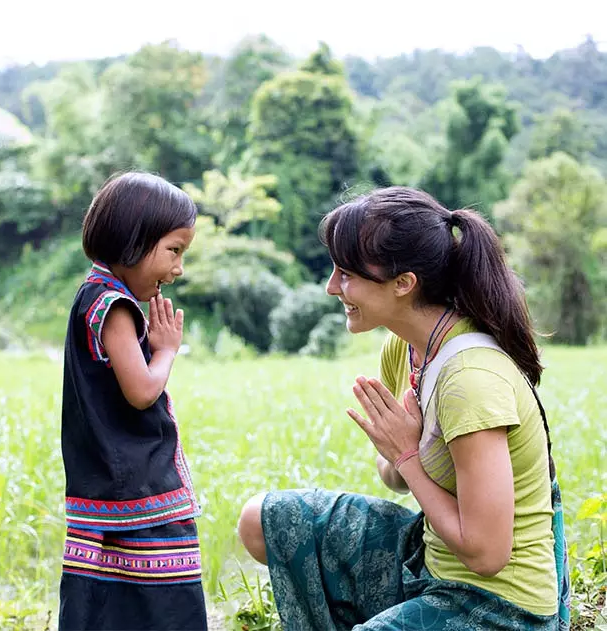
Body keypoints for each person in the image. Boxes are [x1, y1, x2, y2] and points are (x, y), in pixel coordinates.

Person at [238, 186, 569, 630]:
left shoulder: (470, 381)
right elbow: (393, 476)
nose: (332, 287)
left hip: (500, 607)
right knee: (263, 520)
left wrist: (408, 456)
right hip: (431, 560)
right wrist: (399, 456)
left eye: (346, 274)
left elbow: (488, 554)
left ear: (403, 283)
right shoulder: (407, 349)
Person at [59, 172, 207, 631]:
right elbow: (143, 391)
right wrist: (165, 350)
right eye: (174, 249)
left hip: (108, 487)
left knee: (110, 606)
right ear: (132, 239)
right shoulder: (114, 305)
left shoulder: (96, 295)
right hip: (139, 493)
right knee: (163, 608)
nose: (178, 268)